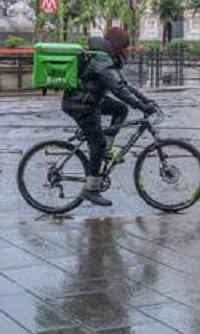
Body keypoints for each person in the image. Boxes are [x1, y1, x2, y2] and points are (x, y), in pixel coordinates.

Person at [62, 27, 157, 207]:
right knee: (97, 143)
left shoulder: (106, 57)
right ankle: (91, 189)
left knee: (120, 110)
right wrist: (140, 106)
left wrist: (145, 100)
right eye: (125, 47)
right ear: (117, 45)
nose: (126, 50)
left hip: (90, 100)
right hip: (81, 104)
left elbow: (124, 84)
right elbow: (118, 89)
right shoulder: (102, 60)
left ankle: (107, 149)